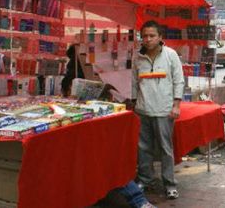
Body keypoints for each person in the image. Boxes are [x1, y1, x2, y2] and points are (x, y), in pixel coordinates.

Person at [61, 44, 155, 208]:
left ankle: (138, 200)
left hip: (90, 132)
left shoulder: (81, 72)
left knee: (109, 163)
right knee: (107, 163)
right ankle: (137, 201)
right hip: (81, 134)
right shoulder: (72, 75)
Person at [132, 20, 184, 200]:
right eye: (144, 36)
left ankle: (169, 183)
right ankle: (145, 180)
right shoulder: (137, 57)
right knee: (143, 148)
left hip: (164, 110)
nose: (148, 39)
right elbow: (134, 83)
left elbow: (179, 81)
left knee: (165, 149)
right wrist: (133, 104)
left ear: (160, 37)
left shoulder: (170, 55)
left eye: (152, 35)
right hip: (143, 110)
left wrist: (176, 105)